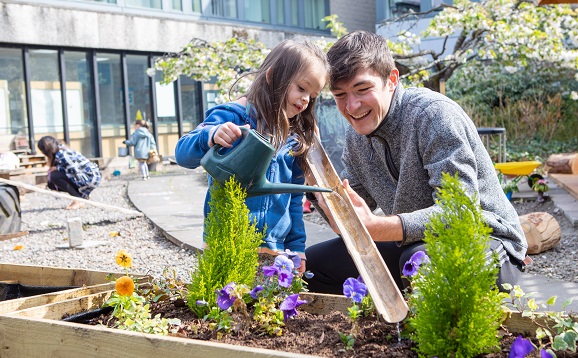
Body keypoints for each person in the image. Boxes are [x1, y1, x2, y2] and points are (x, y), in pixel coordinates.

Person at [305, 31, 528, 293]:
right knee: (312, 267)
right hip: (412, 245)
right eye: (340, 94)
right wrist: (312, 172)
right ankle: (371, 327)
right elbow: (351, 218)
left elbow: (460, 212)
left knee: (420, 263)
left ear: (391, 79)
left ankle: (418, 326)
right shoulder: (356, 137)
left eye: (362, 89)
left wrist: (378, 227)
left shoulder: (434, 116)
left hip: (486, 240)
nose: (352, 106)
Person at [175, 37, 329, 273]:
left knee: (269, 308)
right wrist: (212, 134)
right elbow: (183, 154)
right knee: (227, 302)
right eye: (301, 88)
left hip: (274, 250)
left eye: (313, 95)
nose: (306, 100)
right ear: (272, 77)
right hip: (228, 241)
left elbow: (294, 199)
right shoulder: (235, 117)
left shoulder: (294, 138)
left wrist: (297, 248)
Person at [37, 136, 101, 210]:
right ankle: (82, 197)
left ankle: (78, 200)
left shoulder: (62, 154)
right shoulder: (61, 150)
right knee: (51, 184)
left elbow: (75, 171)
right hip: (90, 176)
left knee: (54, 176)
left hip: (90, 177)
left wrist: (57, 168)